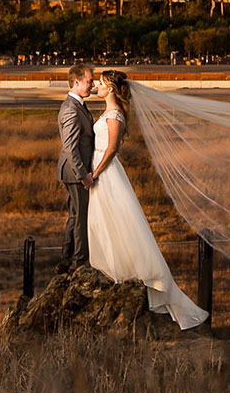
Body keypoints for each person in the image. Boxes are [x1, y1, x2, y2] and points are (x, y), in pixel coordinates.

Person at [85, 70, 208, 330]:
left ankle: (142, 278)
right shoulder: (108, 113)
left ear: (111, 89)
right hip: (99, 169)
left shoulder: (115, 114)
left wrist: (95, 173)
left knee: (119, 221)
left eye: (102, 83)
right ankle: (111, 270)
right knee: (103, 221)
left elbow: (112, 148)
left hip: (106, 173)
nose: (97, 85)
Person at [54, 62, 96, 273]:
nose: (93, 84)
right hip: (74, 172)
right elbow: (71, 148)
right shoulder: (71, 109)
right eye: (89, 81)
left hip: (73, 171)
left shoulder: (78, 104)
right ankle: (79, 262)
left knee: (74, 215)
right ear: (77, 82)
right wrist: (83, 175)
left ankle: (65, 259)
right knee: (81, 217)